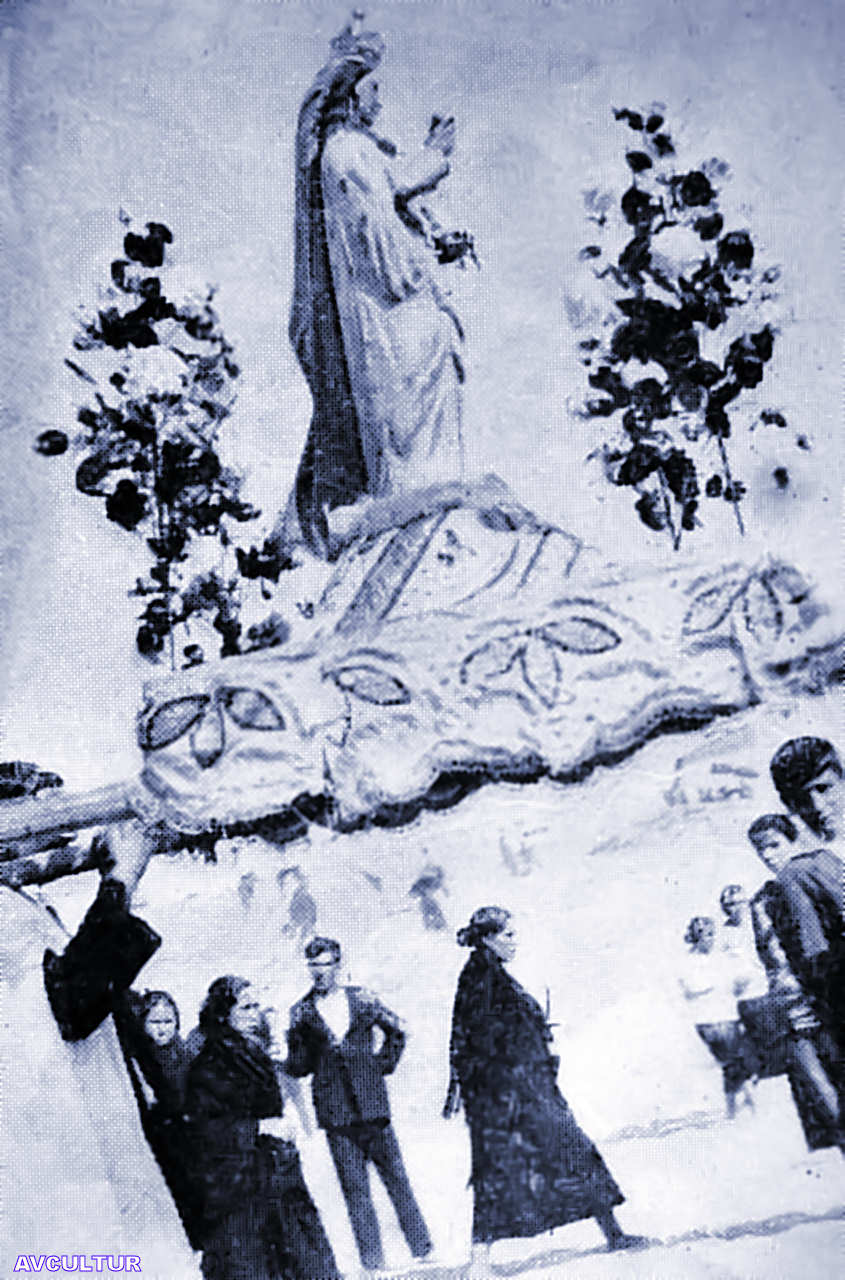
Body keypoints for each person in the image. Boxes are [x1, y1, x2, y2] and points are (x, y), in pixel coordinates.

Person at [280, 17, 467, 554]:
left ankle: (432, 501)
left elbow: (393, 200)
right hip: (387, 310)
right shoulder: (346, 151)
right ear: (351, 95)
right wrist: (436, 156)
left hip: (393, 305)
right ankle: (417, 508)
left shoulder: (357, 150)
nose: (380, 102)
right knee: (408, 406)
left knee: (422, 402)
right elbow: (380, 241)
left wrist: (432, 227)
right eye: (374, 90)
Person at [7, 819, 200, 1275]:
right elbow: (71, 1003)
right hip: (53, 1166)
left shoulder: (18, 900)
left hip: (81, 1145)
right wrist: (121, 879)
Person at [443, 907, 645, 1277]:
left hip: (529, 1089)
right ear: (487, 938)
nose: (514, 941)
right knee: (498, 1171)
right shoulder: (479, 978)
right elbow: (473, 1042)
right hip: (506, 1098)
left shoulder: (492, 974)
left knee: (573, 1152)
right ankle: (479, 1262)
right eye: (507, 935)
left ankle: (614, 1233)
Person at [284, 936, 433, 1272]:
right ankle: (373, 1263)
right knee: (355, 1191)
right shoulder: (301, 1012)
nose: (320, 972)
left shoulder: (363, 998)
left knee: (397, 1180)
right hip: (336, 1114)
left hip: (373, 1107)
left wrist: (381, 1065)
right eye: (314, 966)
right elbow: (299, 1067)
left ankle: (423, 1248)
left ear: (338, 964)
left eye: (326, 964)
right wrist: (289, 1043)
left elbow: (398, 1030)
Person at [186, 975, 339, 1280]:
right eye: (246, 1008)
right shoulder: (210, 1063)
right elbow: (204, 1130)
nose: (255, 1014)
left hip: (277, 1177)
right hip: (240, 1187)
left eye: (256, 1006)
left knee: (306, 1261)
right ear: (223, 1013)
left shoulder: (252, 1051)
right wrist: (259, 1127)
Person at [744, 813, 842, 1150]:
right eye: (761, 849)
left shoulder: (812, 870)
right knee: (823, 1091)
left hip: (832, 994)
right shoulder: (762, 900)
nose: (768, 855)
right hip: (800, 1005)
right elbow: (773, 962)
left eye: (774, 845)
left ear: (792, 841)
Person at [678, 916, 759, 1118]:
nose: (710, 939)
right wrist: (719, 983)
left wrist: (737, 981)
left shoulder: (719, 958)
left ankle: (737, 1106)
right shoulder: (688, 962)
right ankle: (744, 1105)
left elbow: (737, 982)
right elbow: (690, 988)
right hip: (708, 1020)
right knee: (732, 1061)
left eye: (712, 934)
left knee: (734, 1062)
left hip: (727, 1015)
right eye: (706, 935)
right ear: (696, 937)